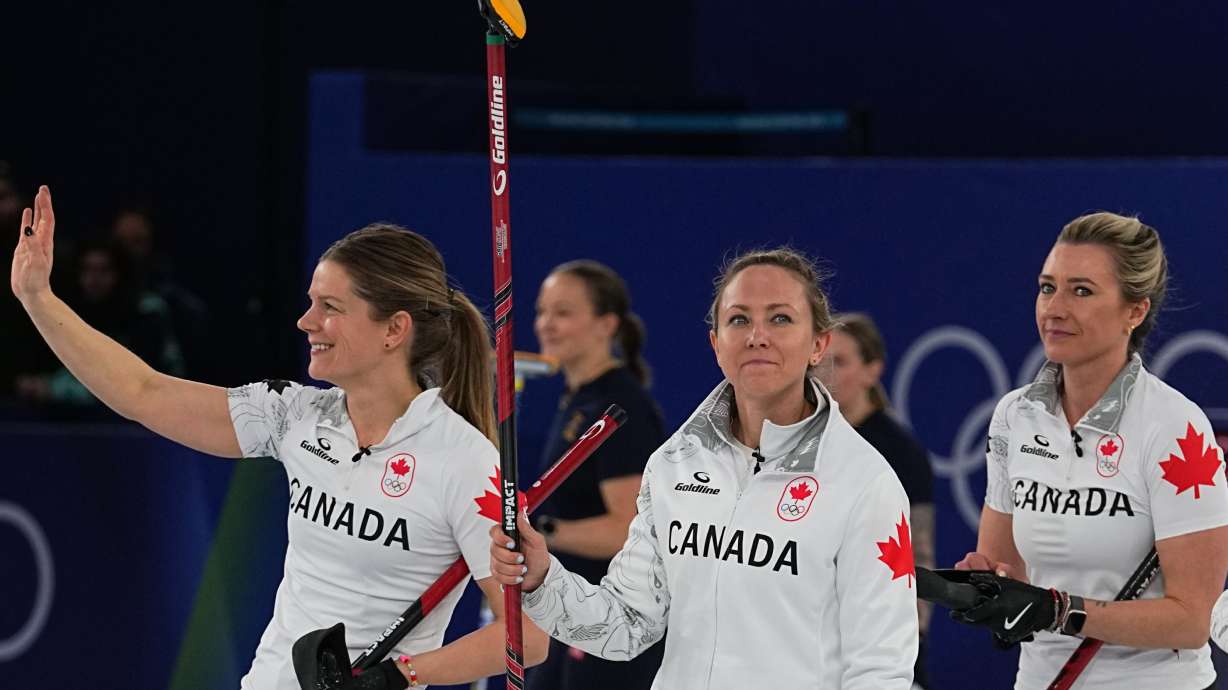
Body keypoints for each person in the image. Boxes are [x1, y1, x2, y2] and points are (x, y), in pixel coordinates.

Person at [10, 186, 548, 690]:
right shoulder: (295, 415)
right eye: (312, 301)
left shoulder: (464, 460)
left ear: (394, 330)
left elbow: (529, 634)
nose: (305, 320)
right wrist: (38, 299)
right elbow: (143, 392)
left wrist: (400, 674)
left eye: (330, 308)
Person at [491, 248, 918, 689]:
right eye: (738, 319)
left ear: (818, 345)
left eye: (780, 319)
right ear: (716, 344)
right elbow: (627, 625)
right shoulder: (674, 464)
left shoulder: (864, 483)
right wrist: (542, 577)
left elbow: (881, 669)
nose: (756, 336)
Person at [949, 212, 1228, 689]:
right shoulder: (1014, 417)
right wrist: (986, 588)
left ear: (1134, 311)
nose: (1054, 308)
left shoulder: (1175, 427)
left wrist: (1060, 611)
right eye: (1046, 287)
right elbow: (1008, 568)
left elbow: (1191, 620)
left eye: (1081, 291)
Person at [528, 260, 667, 690]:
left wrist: (539, 533)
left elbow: (628, 529)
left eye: (563, 312)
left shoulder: (619, 406)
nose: (546, 324)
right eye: (542, 311)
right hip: (568, 615)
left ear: (606, 324)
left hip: (605, 631)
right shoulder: (579, 398)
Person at [819, 312, 935, 688]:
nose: (825, 373)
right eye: (820, 360)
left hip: (878, 645)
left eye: (840, 362)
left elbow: (916, 553)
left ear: (873, 370)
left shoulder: (899, 453)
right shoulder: (803, 441)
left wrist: (909, 640)